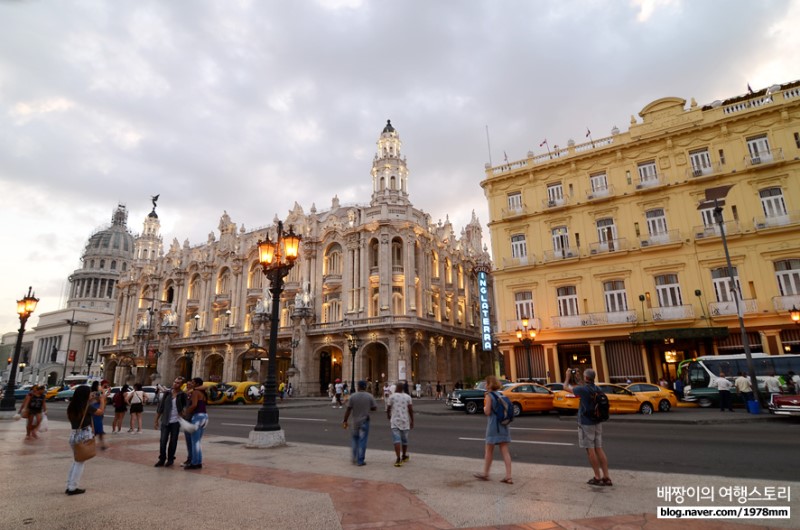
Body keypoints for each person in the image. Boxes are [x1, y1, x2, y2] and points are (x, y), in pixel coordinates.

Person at [564, 368, 612, 487]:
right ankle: (606, 477)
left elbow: (565, 387)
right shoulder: (597, 388)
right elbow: (582, 386)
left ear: (586, 378)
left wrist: (567, 376)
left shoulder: (583, 390)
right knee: (599, 448)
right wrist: (579, 377)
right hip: (597, 422)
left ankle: (597, 477)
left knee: (590, 450)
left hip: (586, 423)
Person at [65, 384, 108, 495]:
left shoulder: (72, 405)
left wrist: (91, 398)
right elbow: (100, 412)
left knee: (76, 461)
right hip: (83, 435)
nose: (91, 394)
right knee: (80, 463)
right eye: (89, 393)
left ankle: (69, 484)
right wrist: (102, 400)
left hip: (74, 435)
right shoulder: (86, 406)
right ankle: (73, 488)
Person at [473, 375, 512, 484]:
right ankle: (508, 476)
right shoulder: (501, 394)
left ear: (489, 385)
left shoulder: (489, 396)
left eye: (486, 382)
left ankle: (486, 474)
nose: (485, 384)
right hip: (504, 425)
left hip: (494, 426)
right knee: (505, 451)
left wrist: (485, 407)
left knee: (489, 450)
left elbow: (487, 412)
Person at [154, 376, 188, 467]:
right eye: (174, 382)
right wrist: (156, 420)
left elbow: (186, 406)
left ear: (181, 385)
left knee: (173, 441)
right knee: (163, 441)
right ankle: (161, 459)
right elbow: (160, 407)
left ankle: (170, 459)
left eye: (177, 383)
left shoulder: (182, 395)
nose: (175, 384)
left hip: (176, 422)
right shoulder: (167, 393)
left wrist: (183, 413)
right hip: (165, 421)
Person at [342, 380, 377, 466]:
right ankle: (360, 460)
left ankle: (354, 457)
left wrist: (345, 420)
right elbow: (374, 408)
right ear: (365, 387)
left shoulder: (353, 396)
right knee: (363, 440)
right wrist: (367, 409)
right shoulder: (369, 396)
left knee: (355, 439)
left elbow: (348, 409)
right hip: (365, 420)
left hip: (355, 421)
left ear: (358, 387)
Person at [183, 377, 208, 470]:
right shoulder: (202, 393)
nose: (191, 383)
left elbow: (194, 405)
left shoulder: (195, 392)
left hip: (197, 416)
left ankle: (194, 462)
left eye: (193, 382)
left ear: (197, 384)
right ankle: (198, 462)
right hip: (204, 417)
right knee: (197, 442)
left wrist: (186, 412)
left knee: (194, 442)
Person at [387, 382, 414, 467]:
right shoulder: (408, 397)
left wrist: (388, 415)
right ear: (402, 389)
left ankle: (398, 459)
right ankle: (404, 455)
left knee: (396, 440)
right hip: (405, 421)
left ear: (396, 388)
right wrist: (412, 420)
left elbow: (388, 408)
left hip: (395, 421)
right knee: (404, 440)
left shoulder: (392, 397)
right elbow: (410, 410)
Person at [89, 381, 108, 449]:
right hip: (97, 408)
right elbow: (103, 398)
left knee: (93, 426)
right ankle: (102, 444)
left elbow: (89, 400)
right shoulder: (97, 393)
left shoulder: (91, 393)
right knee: (98, 427)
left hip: (92, 408)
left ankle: (95, 443)